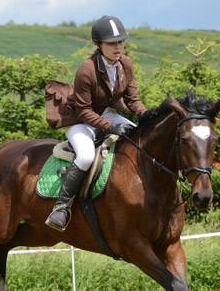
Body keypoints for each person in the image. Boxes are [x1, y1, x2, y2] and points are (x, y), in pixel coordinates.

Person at [45, 15, 147, 231]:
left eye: (120, 42)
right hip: (80, 120)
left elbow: (132, 99)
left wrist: (147, 115)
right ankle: (61, 207)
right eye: (111, 43)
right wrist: (110, 127)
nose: (117, 47)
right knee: (85, 156)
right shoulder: (87, 69)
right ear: (99, 45)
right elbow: (83, 111)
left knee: (137, 136)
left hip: (104, 114)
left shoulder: (126, 64)